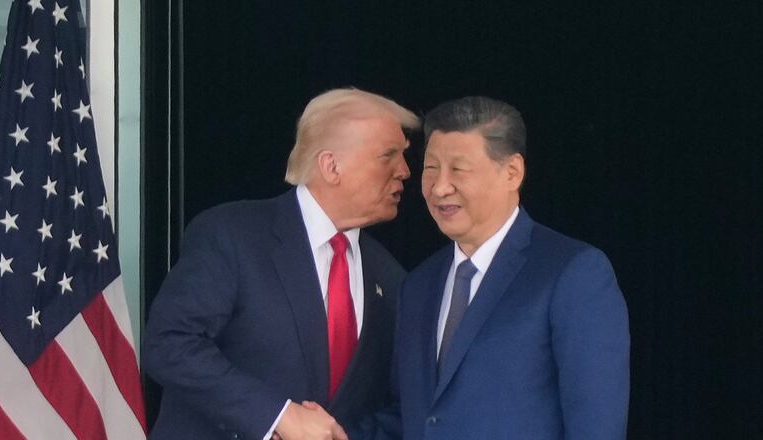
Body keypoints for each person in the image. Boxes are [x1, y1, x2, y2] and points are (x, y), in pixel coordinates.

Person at [143, 88, 419, 440]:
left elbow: (398, 404)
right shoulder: (232, 234)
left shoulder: (391, 276)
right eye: (388, 155)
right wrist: (276, 416)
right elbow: (168, 343)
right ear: (331, 165)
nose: (405, 171)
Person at [352, 96, 629, 439]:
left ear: (512, 173)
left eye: (458, 169)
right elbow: (412, 417)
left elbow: (596, 426)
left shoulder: (572, 273)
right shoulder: (418, 285)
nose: (440, 187)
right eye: (431, 168)